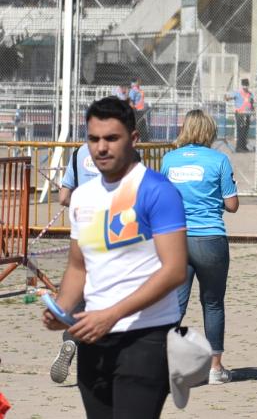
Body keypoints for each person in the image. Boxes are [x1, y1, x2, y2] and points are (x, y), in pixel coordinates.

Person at [43, 97, 188, 418]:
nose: (101, 148)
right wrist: (62, 310)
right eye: (93, 139)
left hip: (146, 338)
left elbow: (175, 270)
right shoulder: (83, 197)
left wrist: (112, 315)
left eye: (111, 138)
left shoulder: (157, 190)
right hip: (93, 338)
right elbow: (78, 267)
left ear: (134, 139)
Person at [161, 109, 239, 383]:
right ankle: (215, 368)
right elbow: (232, 205)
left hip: (178, 238)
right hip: (210, 238)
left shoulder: (169, 160)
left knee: (174, 306)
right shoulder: (219, 160)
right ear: (209, 131)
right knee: (213, 303)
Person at [51, 137, 104, 384]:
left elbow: (63, 197)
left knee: (79, 298)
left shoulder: (78, 153)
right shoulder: (123, 152)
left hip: (82, 235)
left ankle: (70, 340)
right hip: (112, 236)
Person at [231, 78, 254, 153]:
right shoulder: (238, 92)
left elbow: (251, 103)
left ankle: (244, 146)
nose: (246, 87)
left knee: (245, 131)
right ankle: (239, 147)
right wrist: (228, 98)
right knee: (240, 130)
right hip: (240, 114)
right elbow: (229, 97)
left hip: (248, 114)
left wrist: (252, 113)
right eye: (244, 85)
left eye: (247, 85)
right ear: (242, 85)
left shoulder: (250, 94)